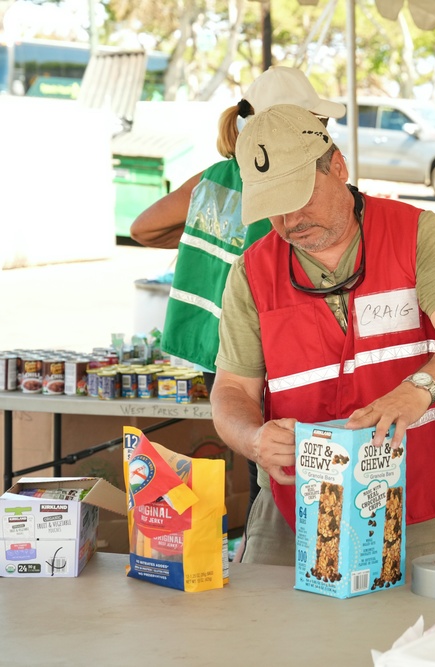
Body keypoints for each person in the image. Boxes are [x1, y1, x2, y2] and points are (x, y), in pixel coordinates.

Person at [210, 104, 435, 568]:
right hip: (294, 505)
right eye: (272, 208)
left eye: (300, 197)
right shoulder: (252, 272)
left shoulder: (415, 233)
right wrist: (253, 438)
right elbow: (231, 390)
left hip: (414, 495)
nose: (289, 221)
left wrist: (416, 391)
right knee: (267, 636)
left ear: (338, 166)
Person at [129, 66, 348, 536]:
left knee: (253, 452)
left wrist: (199, 237)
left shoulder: (211, 179)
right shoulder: (282, 182)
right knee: (275, 457)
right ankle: (281, 547)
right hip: (262, 343)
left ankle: (257, 545)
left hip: (211, 343)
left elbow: (143, 228)